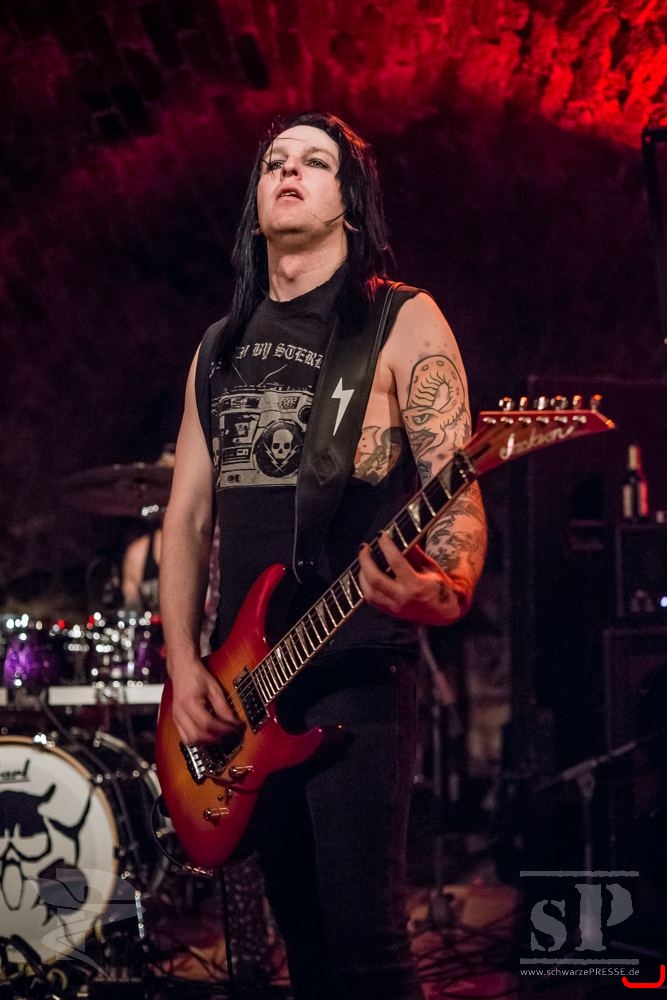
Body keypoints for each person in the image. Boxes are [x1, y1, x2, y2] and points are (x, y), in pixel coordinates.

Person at [160, 111, 487, 1000]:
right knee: (301, 948)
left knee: (366, 949)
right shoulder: (217, 347)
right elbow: (186, 518)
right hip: (244, 689)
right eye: (274, 161)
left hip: (356, 670)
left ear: (349, 198)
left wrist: (444, 588)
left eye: (314, 161)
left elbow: (455, 486)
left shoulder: (398, 319)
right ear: (255, 200)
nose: (289, 171)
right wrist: (183, 665)